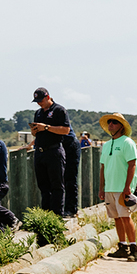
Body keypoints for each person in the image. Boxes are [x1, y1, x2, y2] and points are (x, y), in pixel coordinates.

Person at [98, 113, 137, 261]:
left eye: (114, 122)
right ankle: (122, 247)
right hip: (109, 188)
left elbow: (132, 164)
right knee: (116, 218)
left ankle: (134, 248)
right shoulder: (107, 145)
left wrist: (128, 187)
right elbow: (102, 168)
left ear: (121, 126)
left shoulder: (127, 142)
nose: (111, 125)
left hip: (122, 188)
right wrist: (101, 188)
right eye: (109, 122)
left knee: (125, 217)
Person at [30, 87, 71, 216]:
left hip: (54, 150)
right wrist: (35, 131)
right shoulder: (38, 113)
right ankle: (45, 214)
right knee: (43, 186)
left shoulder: (59, 110)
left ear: (48, 97)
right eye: (37, 101)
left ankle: (57, 215)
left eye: (41, 100)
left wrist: (46, 127)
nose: (39, 103)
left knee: (57, 185)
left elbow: (65, 130)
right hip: (40, 151)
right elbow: (37, 133)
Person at [63, 127, 80, 218]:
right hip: (59, 145)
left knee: (70, 178)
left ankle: (71, 209)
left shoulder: (59, 113)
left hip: (69, 144)